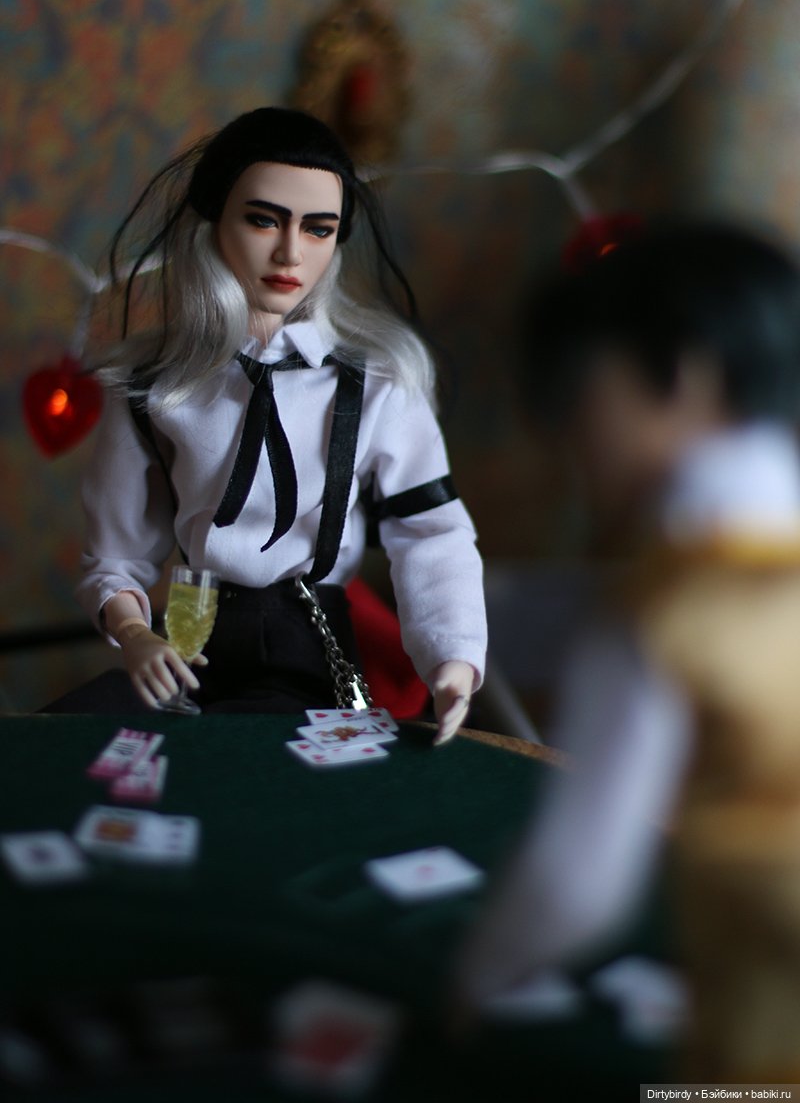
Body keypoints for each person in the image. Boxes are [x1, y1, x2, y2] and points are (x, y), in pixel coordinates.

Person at [454, 220, 800, 1079]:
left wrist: (471, 984)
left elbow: (577, 883)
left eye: (581, 398)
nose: (570, 443)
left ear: (680, 372)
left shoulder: (662, 604)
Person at [52, 107, 485, 742]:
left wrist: (453, 657)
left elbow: (430, 531)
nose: (289, 252)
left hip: (309, 638)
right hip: (191, 626)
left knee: (259, 756)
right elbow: (116, 553)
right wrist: (135, 633)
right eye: (263, 219)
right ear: (212, 223)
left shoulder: (377, 381)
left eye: (318, 229)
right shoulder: (153, 382)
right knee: (76, 744)